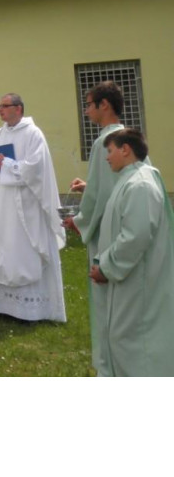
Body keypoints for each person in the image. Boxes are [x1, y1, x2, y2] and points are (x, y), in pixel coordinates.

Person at [90, 129, 174, 376]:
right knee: (123, 337)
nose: (107, 158)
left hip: (139, 280)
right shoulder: (130, 180)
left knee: (137, 339)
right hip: (128, 277)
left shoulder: (141, 185)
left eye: (110, 151)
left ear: (125, 149)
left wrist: (106, 267)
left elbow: (136, 236)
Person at [0, 93, 66, 322]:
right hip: (1, 204)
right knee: (2, 246)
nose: (0, 110)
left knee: (22, 248)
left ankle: (31, 309)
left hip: (26, 204)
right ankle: (1, 305)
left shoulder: (33, 134)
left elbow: (35, 168)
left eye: (4, 106)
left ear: (18, 108)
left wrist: (4, 164)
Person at [65, 80, 124, 374]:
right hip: (120, 223)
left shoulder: (105, 141)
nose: (86, 110)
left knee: (107, 301)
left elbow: (102, 197)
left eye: (89, 104)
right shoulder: (125, 136)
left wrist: (78, 221)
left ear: (104, 105)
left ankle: (108, 365)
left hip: (107, 231)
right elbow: (115, 185)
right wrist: (89, 186)